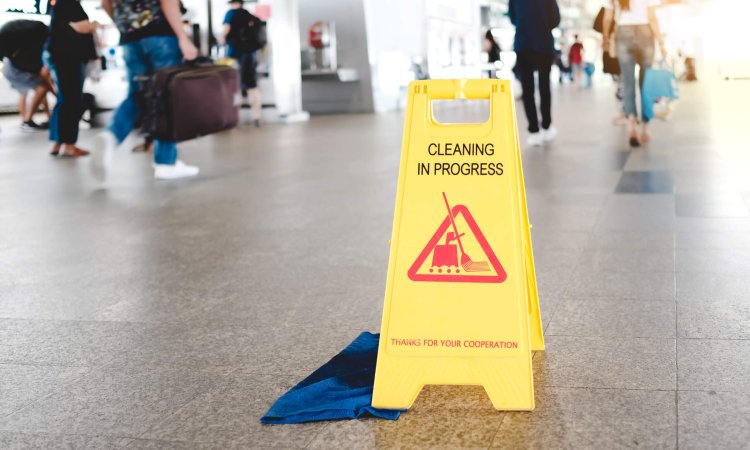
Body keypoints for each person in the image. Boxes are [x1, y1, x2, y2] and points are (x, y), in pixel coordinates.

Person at [94, 0, 200, 181]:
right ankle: (166, 163)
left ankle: (111, 136)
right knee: (166, 96)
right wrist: (183, 37)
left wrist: (126, 27)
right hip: (160, 36)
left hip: (130, 39)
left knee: (138, 94)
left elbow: (106, 3)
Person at [603, 0, 665, 147]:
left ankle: (632, 128)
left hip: (623, 33)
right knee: (646, 84)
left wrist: (605, 38)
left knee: (628, 83)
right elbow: (652, 17)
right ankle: (645, 128)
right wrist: (661, 41)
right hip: (645, 33)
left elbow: (607, 18)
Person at [46, 0, 99, 157]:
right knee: (72, 100)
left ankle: (57, 143)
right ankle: (69, 145)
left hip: (60, 57)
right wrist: (95, 25)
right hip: (70, 58)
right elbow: (81, 27)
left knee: (64, 100)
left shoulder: (59, 5)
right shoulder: (70, 3)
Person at [509, 0, 560, 148]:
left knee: (527, 90)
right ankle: (546, 127)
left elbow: (513, 18)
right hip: (543, 44)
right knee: (544, 87)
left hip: (523, 44)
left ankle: (534, 131)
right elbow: (555, 19)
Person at [0, 19, 54, 132]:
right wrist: (59, 96)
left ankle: (26, 120)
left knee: (27, 92)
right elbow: (45, 80)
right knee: (42, 89)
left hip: (10, 63)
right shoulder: (43, 43)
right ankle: (27, 121)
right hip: (14, 66)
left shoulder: (36, 35)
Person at [223, 0, 265, 127]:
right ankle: (256, 116)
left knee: (235, 85)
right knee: (252, 85)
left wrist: (221, 42)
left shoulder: (231, 13)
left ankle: (234, 117)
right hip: (251, 54)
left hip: (236, 54)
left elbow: (226, 31)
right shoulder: (249, 15)